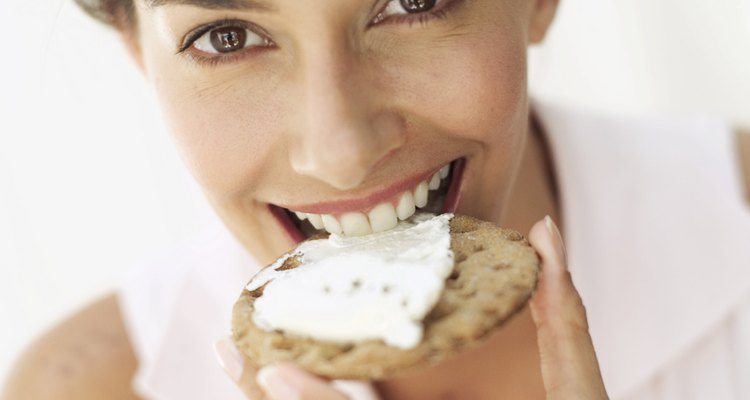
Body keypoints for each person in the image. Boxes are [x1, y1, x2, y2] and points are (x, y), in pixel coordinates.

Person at [2, 0, 749, 399]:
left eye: (412, 0)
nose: (342, 151)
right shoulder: (81, 390)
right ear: (139, 54)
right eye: (226, 36)